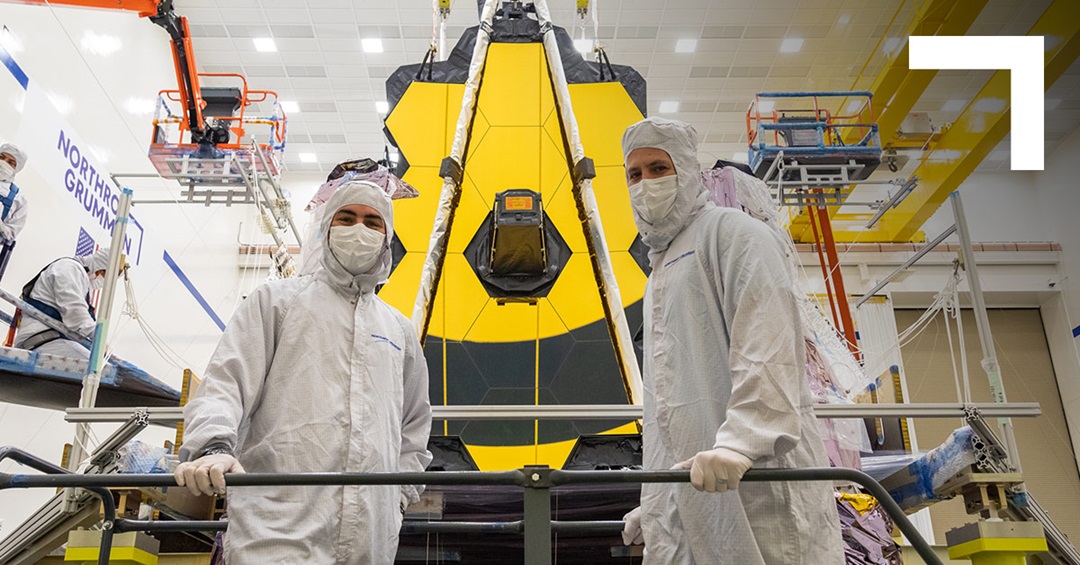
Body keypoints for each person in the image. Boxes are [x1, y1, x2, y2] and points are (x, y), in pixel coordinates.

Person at [618, 117, 844, 564]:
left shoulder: (734, 235)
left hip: (755, 478)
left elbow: (768, 348)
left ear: (685, 169)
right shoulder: (661, 268)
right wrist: (660, 499)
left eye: (659, 169)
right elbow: (669, 405)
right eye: (635, 174)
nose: (646, 183)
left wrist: (743, 442)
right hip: (702, 488)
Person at [175, 180, 433, 565]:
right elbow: (226, 384)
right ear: (327, 228)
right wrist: (213, 445)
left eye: (371, 222)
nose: (358, 228)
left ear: (387, 238)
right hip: (278, 526)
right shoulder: (276, 302)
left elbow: (413, 428)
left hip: (371, 535)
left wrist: (396, 498)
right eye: (346, 218)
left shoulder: (399, 331)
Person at [14, 248, 110, 361]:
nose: (100, 277)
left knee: (101, 366)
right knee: (100, 370)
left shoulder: (81, 280)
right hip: (42, 340)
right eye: (102, 273)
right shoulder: (69, 268)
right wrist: (99, 337)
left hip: (52, 340)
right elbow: (75, 313)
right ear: (99, 266)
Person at [0, 143, 29, 242]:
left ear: (17, 168)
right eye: (1, 157)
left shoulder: (18, 199)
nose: (3, 162)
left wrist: (2, 228)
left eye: (11, 162)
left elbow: (10, 235)